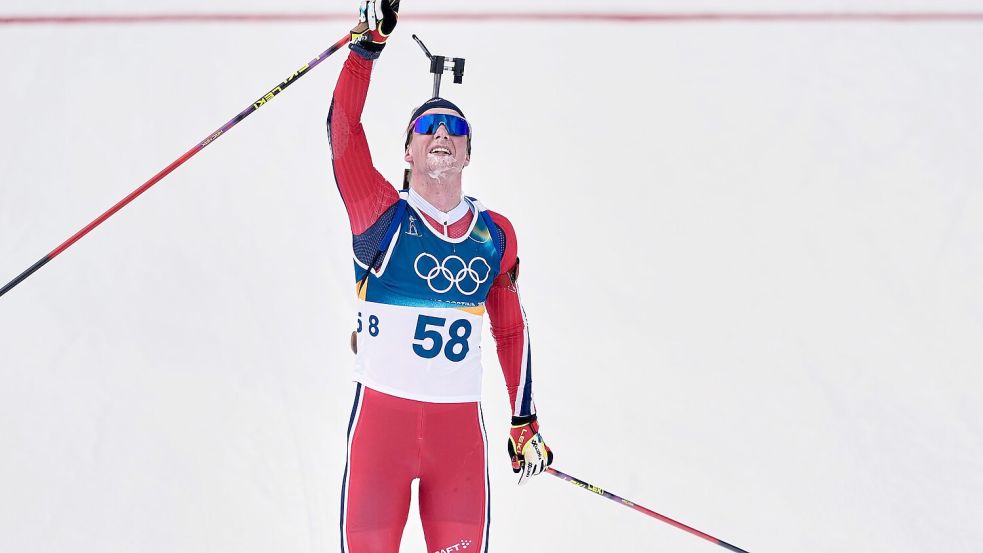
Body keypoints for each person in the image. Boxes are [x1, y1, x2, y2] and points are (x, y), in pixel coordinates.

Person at [327, 2, 554, 552]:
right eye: (427, 127)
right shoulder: (379, 213)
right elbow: (343, 130)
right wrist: (367, 48)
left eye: (454, 127)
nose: (441, 134)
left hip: (458, 445)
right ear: (407, 151)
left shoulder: (495, 235)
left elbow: (509, 329)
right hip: (383, 435)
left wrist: (523, 418)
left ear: (469, 152)